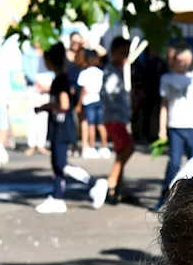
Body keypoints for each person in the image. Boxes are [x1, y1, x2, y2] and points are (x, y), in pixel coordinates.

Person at [35, 42, 107, 214]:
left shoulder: (60, 80)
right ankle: (57, 196)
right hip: (60, 125)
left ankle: (93, 183)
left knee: (61, 164)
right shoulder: (63, 78)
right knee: (57, 164)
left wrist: (46, 106)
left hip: (61, 126)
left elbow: (64, 104)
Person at [157, 45, 193, 210]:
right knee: (174, 163)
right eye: (177, 60)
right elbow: (164, 105)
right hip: (175, 126)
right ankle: (165, 197)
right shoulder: (167, 79)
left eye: (184, 60)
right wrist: (162, 128)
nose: (180, 63)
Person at [100, 37, 137, 205]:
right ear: (113, 53)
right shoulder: (110, 72)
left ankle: (119, 188)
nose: (125, 58)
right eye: (122, 54)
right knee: (128, 149)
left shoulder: (117, 70)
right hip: (115, 118)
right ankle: (111, 183)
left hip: (119, 117)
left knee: (121, 151)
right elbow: (109, 96)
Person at [22, 41, 52, 157]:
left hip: (47, 83)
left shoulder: (48, 52)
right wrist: (37, 83)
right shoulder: (28, 53)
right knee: (33, 114)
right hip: (34, 85)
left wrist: (49, 86)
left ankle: (41, 144)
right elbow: (28, 71)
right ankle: (32, 144)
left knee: (44, 115)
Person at [77, 49, 107, 159]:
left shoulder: (84, 73)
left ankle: (92, 146)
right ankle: (104, 147)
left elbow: (83, 90)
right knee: (101, 125)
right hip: (99, 99)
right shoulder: (101, 72)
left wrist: (79, 104)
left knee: (91, 125)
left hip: (89, 100)